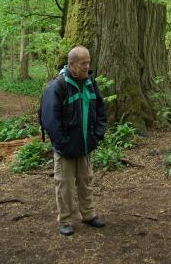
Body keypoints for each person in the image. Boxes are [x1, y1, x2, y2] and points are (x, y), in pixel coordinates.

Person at [41, 45, 107, 236]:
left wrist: (97, 136)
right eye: (83, 63)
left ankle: (89, 214)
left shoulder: (91, 84)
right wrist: (63, 143)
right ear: (71, 64)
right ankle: (65, 220)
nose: (87, 66)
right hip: (65, 148)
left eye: (88, 62)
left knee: (86, 180)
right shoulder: (57, 87)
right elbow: (50, 120)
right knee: (65, 185)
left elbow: (101, 112)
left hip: (86, 145)